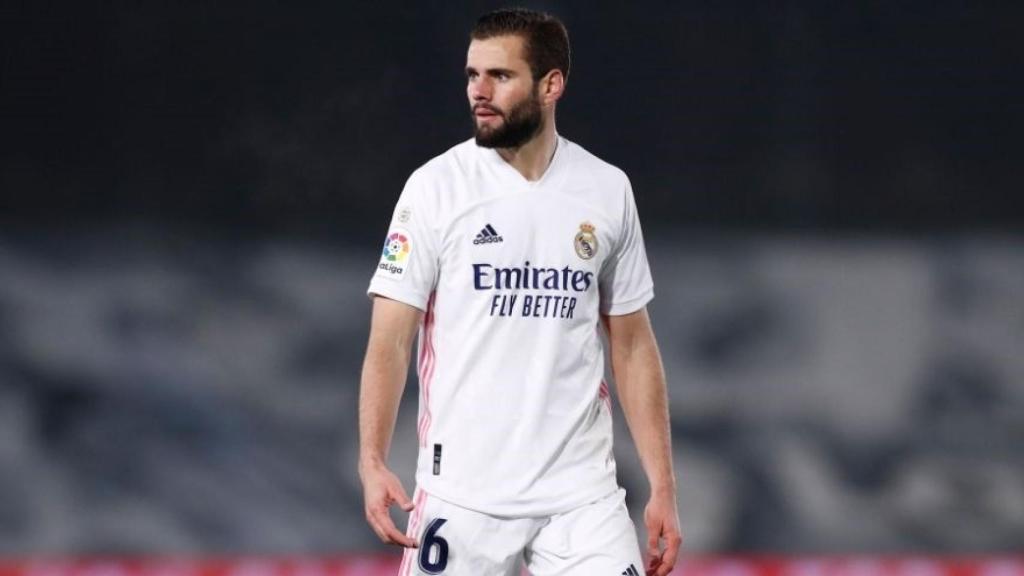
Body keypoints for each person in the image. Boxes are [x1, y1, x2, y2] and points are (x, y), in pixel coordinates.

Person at [358, 8, 681, 576]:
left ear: (551, 85)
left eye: (499, 77)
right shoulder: (435, 189)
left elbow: (631, 344)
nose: (478, 92)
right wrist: (372, 458)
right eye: (470, 75)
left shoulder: (606, 190)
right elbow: (390, 341)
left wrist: (663, 485)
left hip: (582, 499)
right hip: (464, 497)